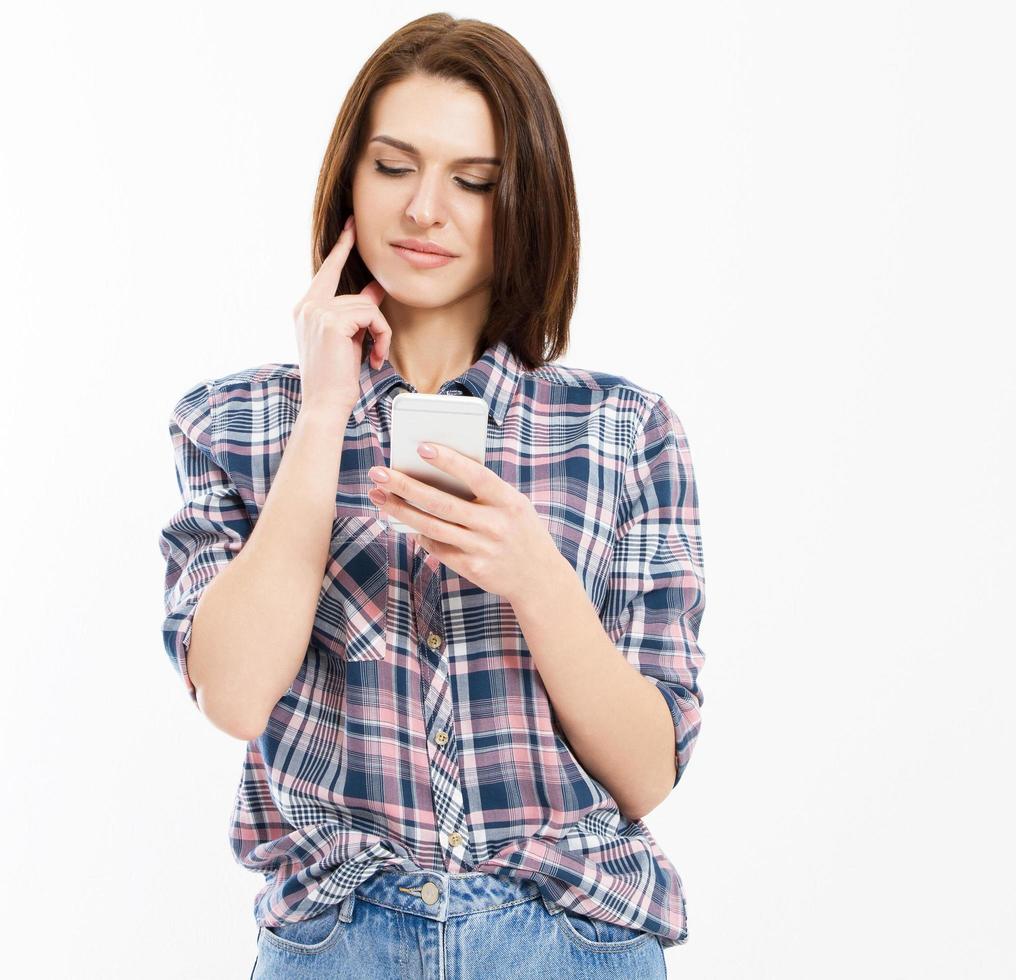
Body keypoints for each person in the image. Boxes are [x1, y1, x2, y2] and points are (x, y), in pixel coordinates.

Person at [158, 13, 706, 978]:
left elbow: (647, 771)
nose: (423, 209)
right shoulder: (235, 422)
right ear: (349, 181)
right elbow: (235, 696)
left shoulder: (623, 431)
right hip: (338, 943)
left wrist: (535, 575)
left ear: (525, 200)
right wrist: (324, 410)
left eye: (473, 180)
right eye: (394, 166)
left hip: (570, 941)